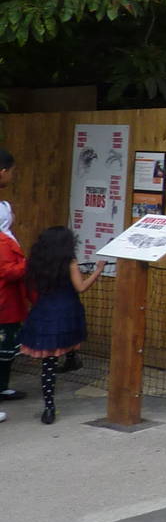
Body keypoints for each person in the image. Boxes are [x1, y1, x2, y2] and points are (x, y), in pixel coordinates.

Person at [18, 226, 101, 425]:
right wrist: (98, 270)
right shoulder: (69, 262)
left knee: (48, 363)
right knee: (69, 339)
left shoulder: (36, 262)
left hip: (43, 311)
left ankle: (49, 407)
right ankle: (72, 359)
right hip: (66, 311)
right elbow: (80, 287)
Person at [0, 148, 31, 421]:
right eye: (11, 171)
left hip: (9, 300)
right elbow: (7, 271)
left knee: (7, 347)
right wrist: (27, 266)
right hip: (3, 300)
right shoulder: (1, 242)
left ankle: (3, 387)